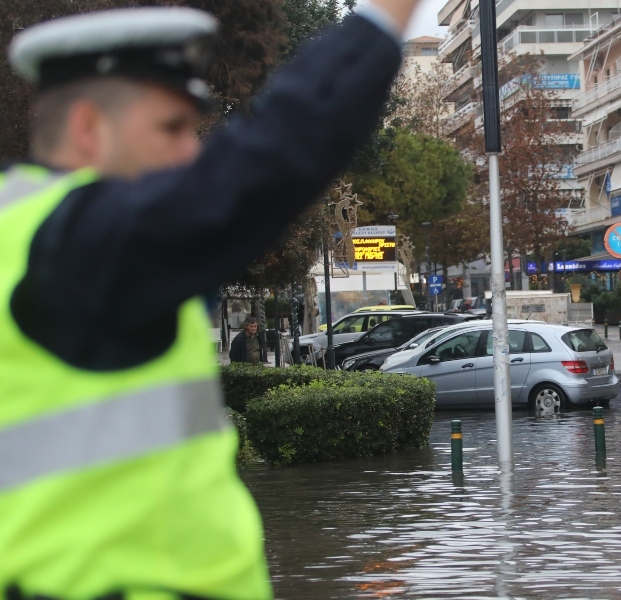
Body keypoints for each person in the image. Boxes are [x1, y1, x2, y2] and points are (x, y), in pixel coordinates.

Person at [0, 1, 420, 597]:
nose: (190, 155)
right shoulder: (81, 246)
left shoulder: (22, 230)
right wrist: (384, 19)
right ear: (89, 128)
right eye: (170, 129)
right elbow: (269, 159)